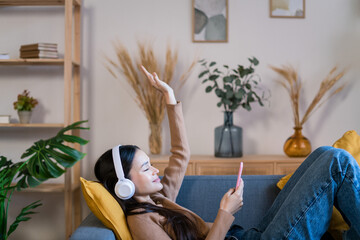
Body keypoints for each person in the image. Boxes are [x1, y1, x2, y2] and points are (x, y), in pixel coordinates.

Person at [94, 66, 360, 240]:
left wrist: (170, 97)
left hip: (250, 235)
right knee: (337, 162)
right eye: (145, 168)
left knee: (324, 154)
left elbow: (180, 153)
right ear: (124, 186)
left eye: (150, 164)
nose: (155, 170)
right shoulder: (141, 222)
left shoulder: (159, 199)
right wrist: (225, 212)